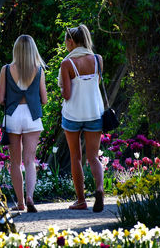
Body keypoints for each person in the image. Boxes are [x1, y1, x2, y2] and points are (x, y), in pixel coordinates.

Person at [0, 35, 47, 213]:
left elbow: (0, 99)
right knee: (30, 161)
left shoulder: (6, 69)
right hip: (32, 116)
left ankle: (19, 202)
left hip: (13, 116)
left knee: (15, 161)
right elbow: (45, 99)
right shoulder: (39, 69)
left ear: (16, 50)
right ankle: (30, 197)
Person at [58, 24, 105, 212]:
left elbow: (67, 95)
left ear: (71, 41)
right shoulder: (97, 59)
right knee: (94, 157)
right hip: (94, 113)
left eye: (66, 42)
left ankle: (81, 200)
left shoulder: (67, 64)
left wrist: (62, 87)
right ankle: (99, 189)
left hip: (73, 115)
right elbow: (96, 84)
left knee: (76, 157)